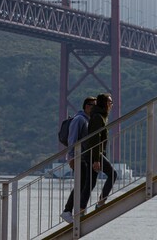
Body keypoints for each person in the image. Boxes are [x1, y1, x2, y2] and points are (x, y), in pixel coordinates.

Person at [61, 96, 96, 224]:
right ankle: (67, 211)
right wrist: (71, 157)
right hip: (78, 157)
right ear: (87, 106)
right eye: (93, 105)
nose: (95, 108)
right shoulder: (79, 119)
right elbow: (72, 139)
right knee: (80, 183)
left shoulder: (87, 120)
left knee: (84, 183)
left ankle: (78, 209)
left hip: (84, 157)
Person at [87, 93, 117, 208]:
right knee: (113, 174)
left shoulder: (100, 115)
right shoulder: (98, 117)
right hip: (95, 154)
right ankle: (100, 203)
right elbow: (95, 139)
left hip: (96, 153)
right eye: (110, 102)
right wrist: (96, 159)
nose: (111, 105)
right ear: (104, 103)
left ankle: (81, 209)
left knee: (89, 184)